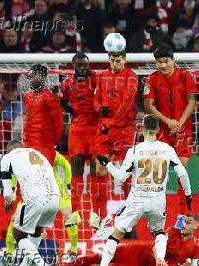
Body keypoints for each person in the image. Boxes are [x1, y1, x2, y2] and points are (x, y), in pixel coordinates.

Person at [90, 114, 192, 266]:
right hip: (158, 200)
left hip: (137, 200)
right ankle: (160, 259)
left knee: (116, 235)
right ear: (159, 130)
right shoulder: (167, 149)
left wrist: (106, 164)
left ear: (142, 129)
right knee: (159, 232)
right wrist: (187, 193)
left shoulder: (135, 150)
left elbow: (121, 177)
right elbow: (182, 173)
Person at [54, 214, 199, 266]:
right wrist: (161, 262)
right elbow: (157, 246)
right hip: (137, 252)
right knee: (101, 257)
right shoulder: (172, 232)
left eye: (189, 223)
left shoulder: (194, 247)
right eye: (184, 222)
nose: (185, 225)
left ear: (196, 226)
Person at [143, 46, 197, 216]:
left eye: (166, 61)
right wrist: (168, 122)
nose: (163, 65)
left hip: (184, 129)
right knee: (159, 172)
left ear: (173, 60)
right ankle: (159, 212)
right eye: (159, 62)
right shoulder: (152, 79)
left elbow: (192, 102)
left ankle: (182, 214)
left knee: (182, 169)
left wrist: (179, 124)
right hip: (162, 132)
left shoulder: (185, 76)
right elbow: (148, 105)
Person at [92, 48, 138, 235]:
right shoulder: (102, 76)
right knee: (99, 170)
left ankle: (130, 216)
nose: (115, 63)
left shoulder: (132, 76)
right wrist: (99, 108)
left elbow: (127, 103)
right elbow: (95, 99)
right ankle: (100, 214)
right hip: (104, 131)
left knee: (126, 173)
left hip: (124, 130)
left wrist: (110, 121)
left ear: (125, 60)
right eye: (112, 60)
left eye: (118, 60)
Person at [1, 141, 60, 266]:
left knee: (17, 233)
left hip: (35, 198)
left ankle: (43, 265)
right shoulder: (36, 153)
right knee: (36, 231)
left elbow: (8, 193)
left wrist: (8, 201)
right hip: (55, 197)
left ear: (8, 150)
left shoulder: (7, 158)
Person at [59, 52, 97, 234]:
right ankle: (75, 212)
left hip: (96, 129)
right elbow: (62, 101)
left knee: (97, 171)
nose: (83, 68)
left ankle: (97, 213)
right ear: (73, 66)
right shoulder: (66, 84)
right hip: (77, 130)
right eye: (79, 65)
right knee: (77, 169)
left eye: (85, 65)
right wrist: (73, 110)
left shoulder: (99, 79)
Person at [22, 64, 63, 166]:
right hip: (28, 144)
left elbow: (58, 122)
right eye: (31, 75)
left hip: (44, 145)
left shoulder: (50, 96)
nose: (32, 78)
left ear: (43, 78)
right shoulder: (26, 96)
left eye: (35, 75)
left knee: (43, 177)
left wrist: (55, 142)